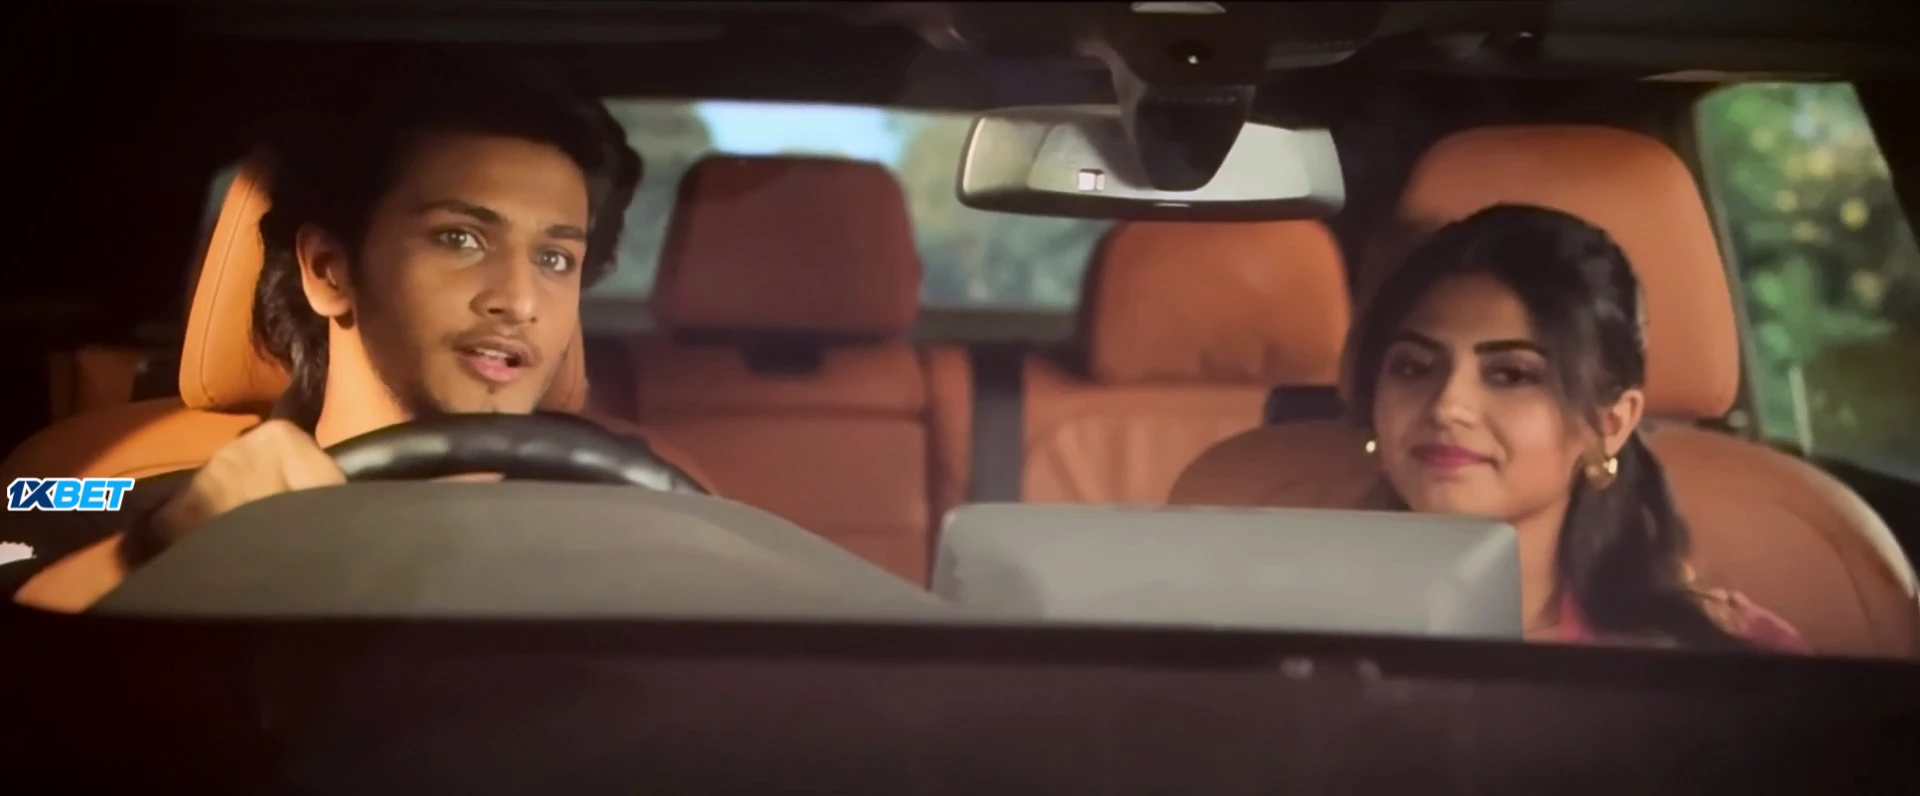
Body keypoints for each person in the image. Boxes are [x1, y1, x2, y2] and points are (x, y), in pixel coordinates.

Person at [2, 55, 650, 612]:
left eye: (555, 258)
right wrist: (162, 552)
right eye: (459, 238)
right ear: (328, 269)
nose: (520, 300)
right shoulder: (114, 502)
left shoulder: (642, 513)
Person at [1346, 203, 1806, 651]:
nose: (1447, 406)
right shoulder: (1312, 628)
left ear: (1609, 424)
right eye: (1413, 367)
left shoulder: (1722, 658)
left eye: (1511, 375)